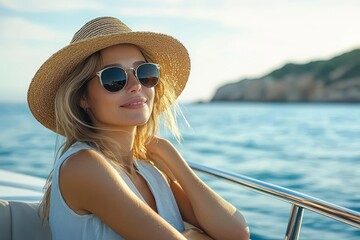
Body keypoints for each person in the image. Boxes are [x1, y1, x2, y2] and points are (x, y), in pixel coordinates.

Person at [27, 16, 250, 240]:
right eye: (114, 78)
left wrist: (171, 156)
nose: (136, 86)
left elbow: (236, 233)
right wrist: (191, 234)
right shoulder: (82, 165)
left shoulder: (150, 171)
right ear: (83, 97)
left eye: (144, 73)